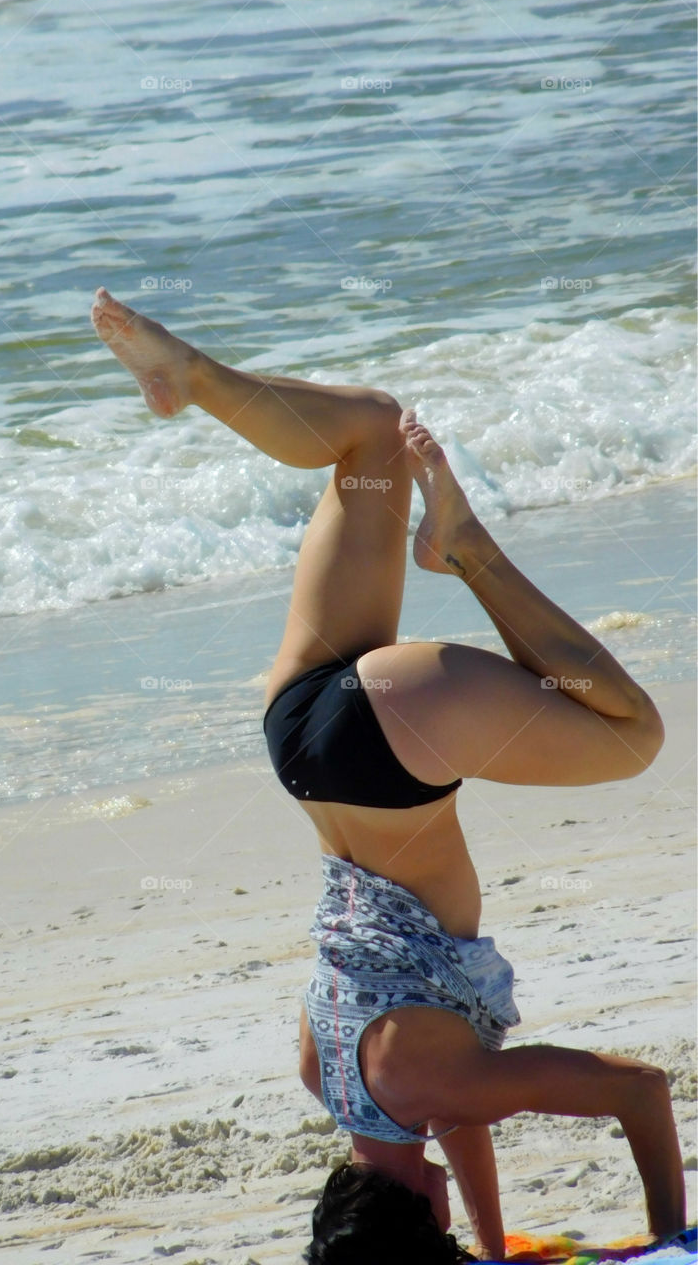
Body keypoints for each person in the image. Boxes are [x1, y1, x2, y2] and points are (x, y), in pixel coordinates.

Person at [91, 287, 686, 1260]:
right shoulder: (329, 1076)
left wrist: (675, 1241)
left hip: (391, 748)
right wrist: (493, 1250)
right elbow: (448, 1111)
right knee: (371, 441)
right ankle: (191, 377)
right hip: (301, 737)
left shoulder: (432, 1083)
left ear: (420, 1221)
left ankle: (467, 550)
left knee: (631, 733)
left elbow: (639, 1092)